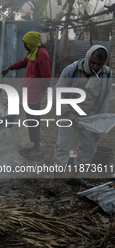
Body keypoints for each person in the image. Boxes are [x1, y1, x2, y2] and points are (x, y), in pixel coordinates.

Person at [45, 45, 112, 195]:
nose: (95, 66)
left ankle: (74, 177)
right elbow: (57, 92)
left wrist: (99, 123)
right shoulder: (72, 70)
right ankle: (56, 181)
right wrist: (68, 112)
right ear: (88, 58)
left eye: (99, 64)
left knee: (89, 148)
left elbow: (105, 100)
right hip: (70, 113)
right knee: (63, 146)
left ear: (104, 63)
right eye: (92, 62)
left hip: (90, 116)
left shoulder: (107, 75)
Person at [1, 31, 51, 157]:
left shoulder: (42, 55)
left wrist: (42, 90)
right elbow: (24, 62)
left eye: (25, 43)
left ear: (32, 43)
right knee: (31, 120)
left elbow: (47, 77)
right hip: (29, 92)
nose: (24, 46)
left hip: (34, 93)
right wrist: (10, 67)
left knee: (34, 120)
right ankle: (35, 145)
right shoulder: (33, 53)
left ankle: (37, 148)